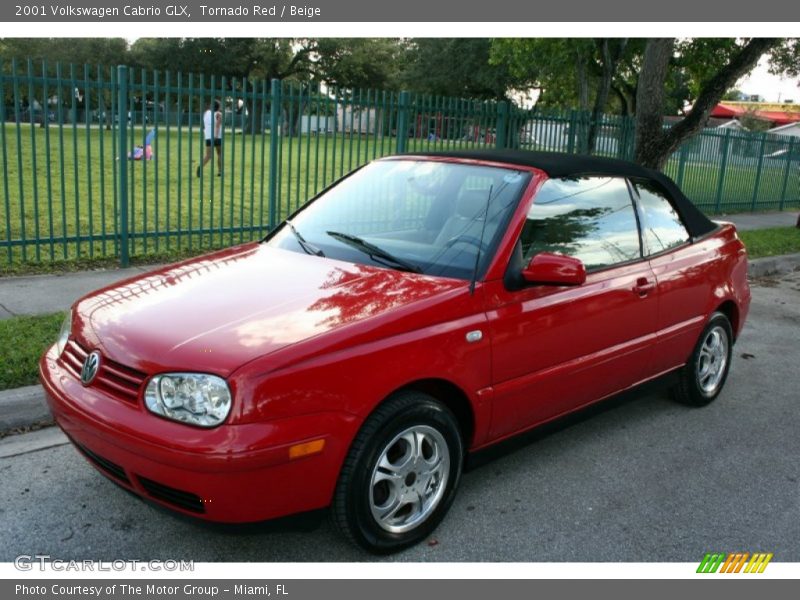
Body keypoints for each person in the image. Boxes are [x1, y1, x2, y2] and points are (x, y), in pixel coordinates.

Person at [197, 99, 223, 177]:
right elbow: (217, 126)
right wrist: (216, 136)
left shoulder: (206, 113)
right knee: (220, 153)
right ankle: (220, 171)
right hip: (217, 137)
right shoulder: (219, 114)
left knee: (208, 155)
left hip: (208, 136)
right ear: (218, 107)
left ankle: (200, 166)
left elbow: (204, 125)